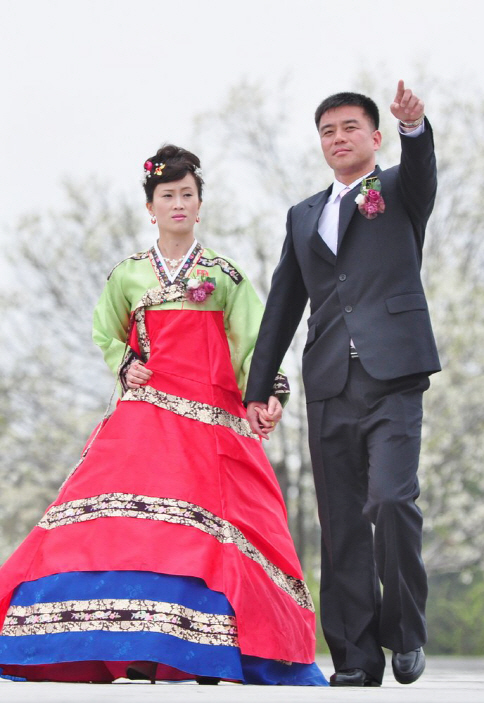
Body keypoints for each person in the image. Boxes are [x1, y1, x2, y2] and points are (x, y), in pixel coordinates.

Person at [0, 145, 326, 686]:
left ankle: (202, 646)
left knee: (207, 533)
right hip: (145, 417)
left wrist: (267, 395)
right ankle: (119, 642)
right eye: (167, 196)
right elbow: (104, 330)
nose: (178, 204)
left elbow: (254, 346)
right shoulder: (127, 275)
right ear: (150, 207)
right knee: (121, 524)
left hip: (211, 421)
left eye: (187, 195)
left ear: (200, 205)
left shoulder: (226, 276)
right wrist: (124, 364)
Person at [245, 81, 439, 687]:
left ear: (374, 137)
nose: (338, 138)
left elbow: (422, 168)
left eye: (350, 128)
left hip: (394, 376)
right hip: (328, 382)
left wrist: (416, 131)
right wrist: (259, 388)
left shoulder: (400, 190)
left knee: (389, 500)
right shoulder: (303, 215)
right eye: (328, 131)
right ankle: (355, 657)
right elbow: (282, 302)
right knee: (341, 522)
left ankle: (405, 632)